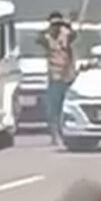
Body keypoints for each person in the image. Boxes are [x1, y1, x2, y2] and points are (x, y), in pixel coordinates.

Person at [36, 11, 76, 145]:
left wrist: (67, 25)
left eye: (58, 24)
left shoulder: (66, 34)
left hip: (67, 76)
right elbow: (39, 39)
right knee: (53, 109)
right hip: (54, 77)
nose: (56, 27)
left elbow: (74, 36)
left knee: (66, 108)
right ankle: (55, 134)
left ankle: (65, 133)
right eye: (54, 24)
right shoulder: (46, 37)